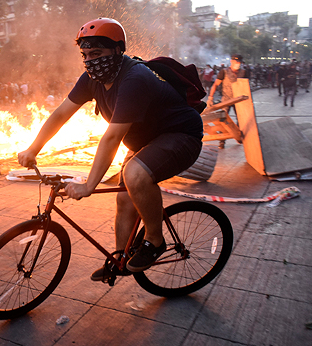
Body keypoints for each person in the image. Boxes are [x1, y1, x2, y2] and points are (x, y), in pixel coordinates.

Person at [17, 17, 203, 280]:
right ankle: (120, 259)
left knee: (135, 175)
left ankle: (155, 240)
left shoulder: (134, 78)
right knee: (125, 199)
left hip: (180, 135)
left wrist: (89, 185)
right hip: (145, 141)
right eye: (85, 54)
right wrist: (33, 148)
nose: (91, 60)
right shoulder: (90, 79)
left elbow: (112, 138)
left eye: (97, 53)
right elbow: (61, 114)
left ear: (118, 50)